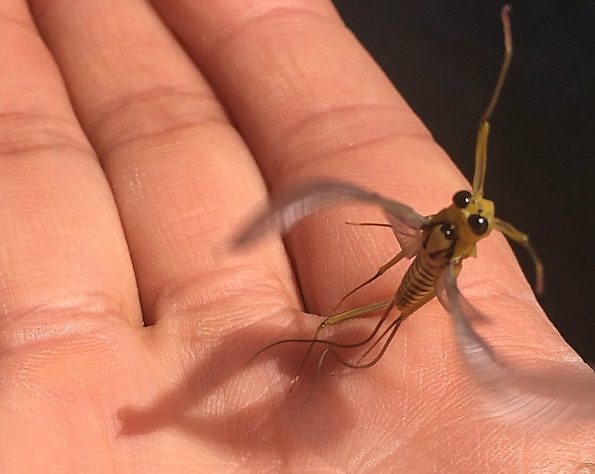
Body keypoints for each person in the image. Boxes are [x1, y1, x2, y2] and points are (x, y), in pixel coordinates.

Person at [1, 0, 592, 471]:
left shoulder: (444, 253)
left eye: (476, 216)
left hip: (420, 284)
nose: (473, 203)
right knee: (371, 305)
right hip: (416, 276)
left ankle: (333, 340)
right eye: (467, 204)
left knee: (388, 310)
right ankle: (320, 343)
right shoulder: (439, 231)